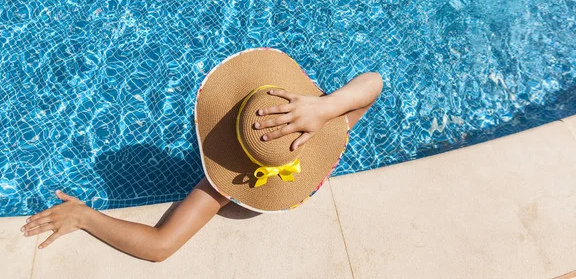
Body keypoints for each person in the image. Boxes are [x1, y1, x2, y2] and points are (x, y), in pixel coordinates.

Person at [20, 48, 383, 262]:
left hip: (243, 176)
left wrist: (86, 217)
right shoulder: (339, 122)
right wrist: (327, 107)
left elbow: (160, 245)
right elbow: (374, 82)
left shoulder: (223, 189)